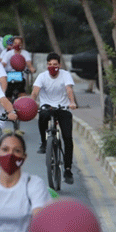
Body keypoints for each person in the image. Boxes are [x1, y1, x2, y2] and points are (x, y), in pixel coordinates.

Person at [31, 53, 77, 185]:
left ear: (60, 65)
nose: (52, 67)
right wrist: (31, 103)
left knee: (67, 138)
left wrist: (72, 102)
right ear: (47, 65)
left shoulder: (65, 75)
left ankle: (67, 169)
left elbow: (69, 89)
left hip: (63, 108)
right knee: (42, 117)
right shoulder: (42, 76)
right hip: (47, 107)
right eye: (50, 65)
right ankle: (44, 142)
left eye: (55, 65)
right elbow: (35, 92)